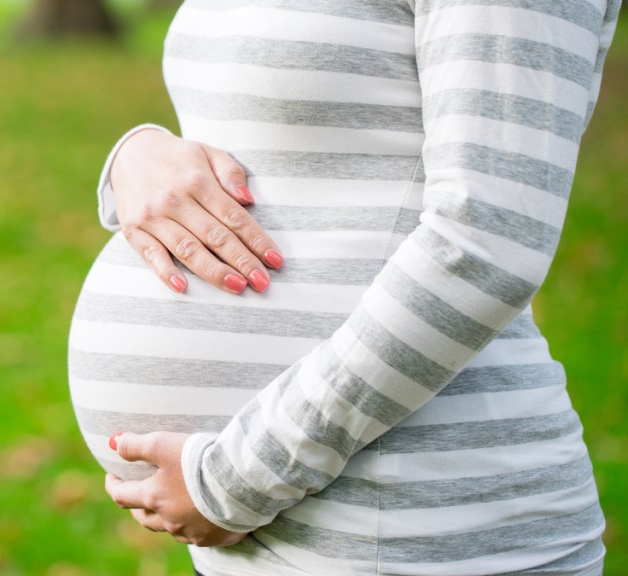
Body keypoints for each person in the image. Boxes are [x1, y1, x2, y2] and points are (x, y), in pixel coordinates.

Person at [67, 1, 622, 574]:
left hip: (415, 524)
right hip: (274, 526)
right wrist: (136, 157)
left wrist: (238, 478)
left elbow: (485, 242)